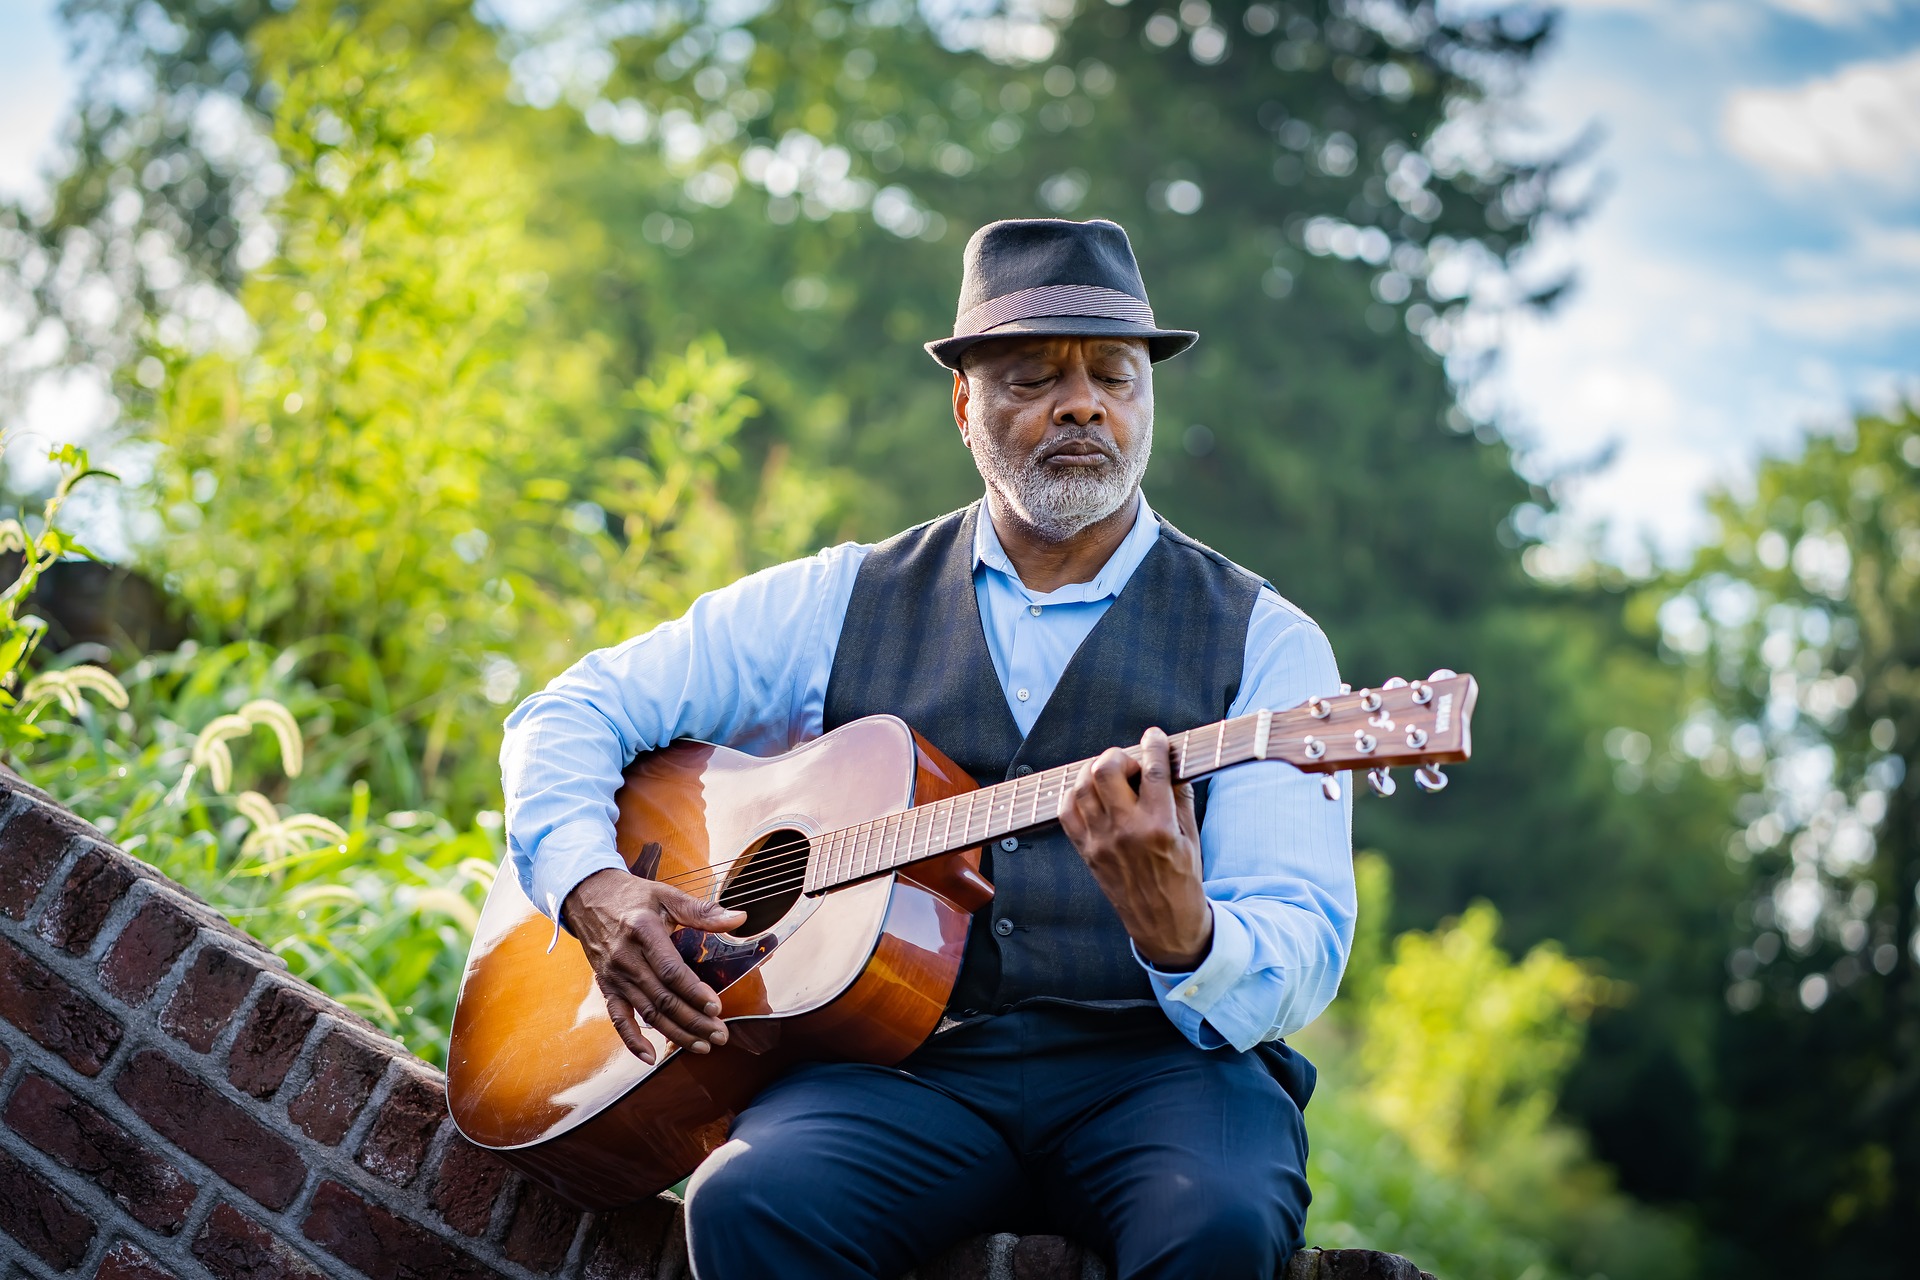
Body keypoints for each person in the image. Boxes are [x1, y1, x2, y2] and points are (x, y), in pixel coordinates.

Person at [501, 218, 1355, 1279]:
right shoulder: (841, 597)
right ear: (963, 403)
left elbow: (1301, 939)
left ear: (1147, 400)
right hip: (901, 1072)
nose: (1082, 404)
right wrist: (590, 884)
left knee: (1217, 1225)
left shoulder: (1266, 641)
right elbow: (570, 711)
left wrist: (1189, 938)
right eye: (1035, 376)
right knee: (752, 1199)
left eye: (1114, 376)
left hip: (1166, 1073)